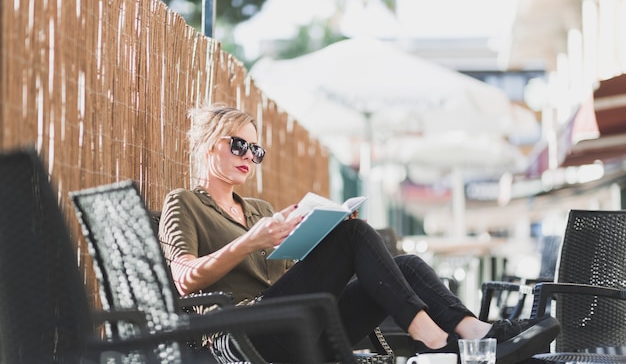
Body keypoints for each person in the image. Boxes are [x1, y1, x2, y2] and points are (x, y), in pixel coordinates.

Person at [158, 103, 560, 364]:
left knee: (408, 264)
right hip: (244, 338)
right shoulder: (184, 204)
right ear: (211, 144)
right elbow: (183, 279)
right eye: (240, 145)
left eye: (256, 151)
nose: (250, 157)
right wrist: (251, 240)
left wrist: (313, 237)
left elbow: (292, 277)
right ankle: (437, 343)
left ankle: (476, 333)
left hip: (300, 329)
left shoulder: (259, 210)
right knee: (354, 238)